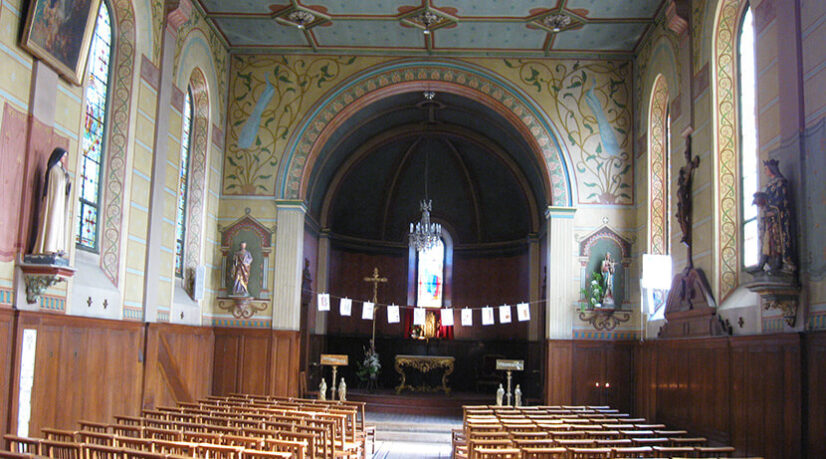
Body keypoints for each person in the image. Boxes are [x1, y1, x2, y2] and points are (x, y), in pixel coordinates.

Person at [753, 159, 795, 274]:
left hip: (778, 218)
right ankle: (763, 262)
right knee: (767, 240)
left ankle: (778, 261)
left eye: (766, 169)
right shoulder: (769, 185)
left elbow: (782, 201)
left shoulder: (780, 183)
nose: (765, 171)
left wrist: (772, 208)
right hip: (769, 217)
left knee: (777, 240)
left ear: (772, 169)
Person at [33, 148, 72, 256]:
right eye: (63, 156)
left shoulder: (61, 170)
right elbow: (55, 186)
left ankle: (56, 246)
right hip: (53, 202)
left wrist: (67, 184)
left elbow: (63, 185)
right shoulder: (54, 170)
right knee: (51, 221)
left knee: (58, 223)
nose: (65, 158)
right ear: (59, 156)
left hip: (59, 203)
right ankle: (49, 247)